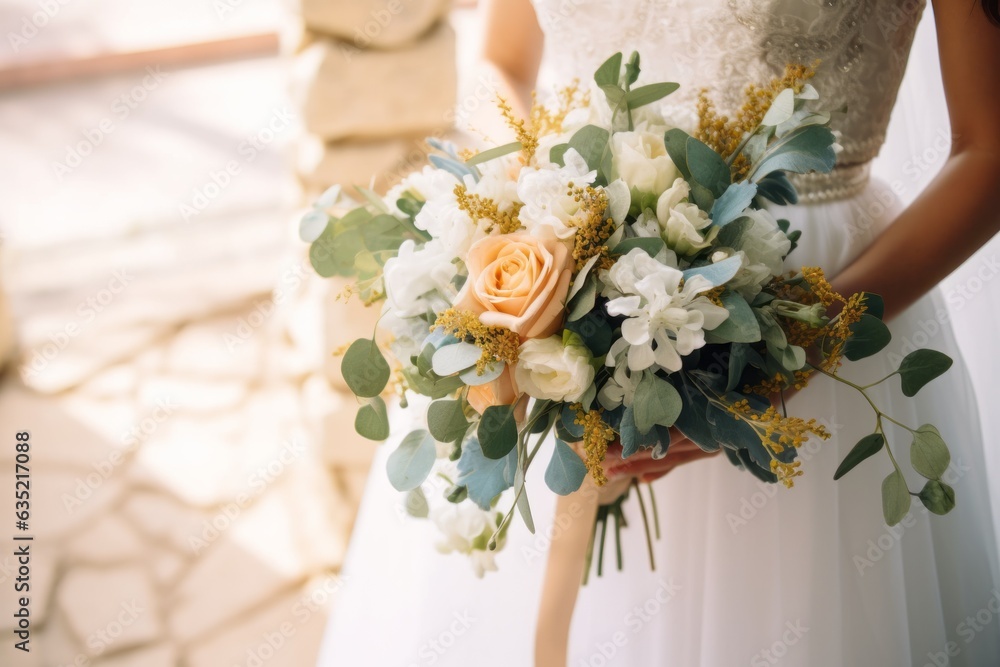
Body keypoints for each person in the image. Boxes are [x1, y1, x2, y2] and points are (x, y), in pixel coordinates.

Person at [317, 1, 1000, 664]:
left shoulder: (803, 337)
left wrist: (788, 360)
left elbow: (989, 152)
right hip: (557, 249)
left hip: (811, 303)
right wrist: (524, 228)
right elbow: (501, 60)